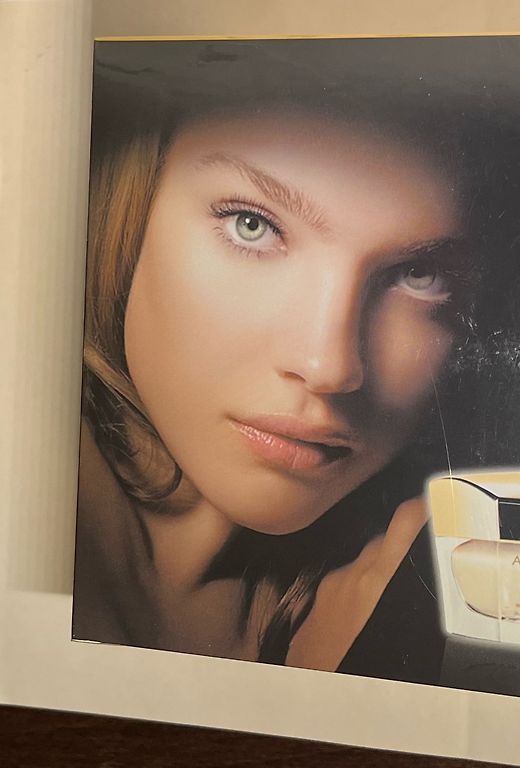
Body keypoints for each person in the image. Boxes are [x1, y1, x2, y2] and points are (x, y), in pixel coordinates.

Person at [73, 91, 477, 681]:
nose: (328, 366)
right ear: (125, 208)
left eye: (419, 275)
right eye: (253, 225)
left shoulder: (411, 585)